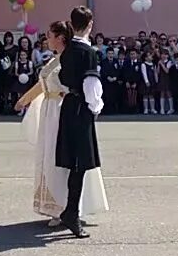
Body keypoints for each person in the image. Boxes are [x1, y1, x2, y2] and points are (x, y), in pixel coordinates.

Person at [17, 21, 109, 227]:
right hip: (49, 111)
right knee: (48, 157)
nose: (46, 39)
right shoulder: (54, 60)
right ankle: (55, 206)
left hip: (62, 110)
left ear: (60, 37)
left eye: (49, 35)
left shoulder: (69, 60)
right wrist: (25, 99)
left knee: (62, 159)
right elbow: (43, 85)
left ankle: (65, 207)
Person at [54, 6, 103, 239]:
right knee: (80, 163)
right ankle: (71, 212)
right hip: (81, 107)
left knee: (75, 163)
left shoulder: (67, 50)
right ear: (90, 24)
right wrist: (96, 107)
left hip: (69, 105)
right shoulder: (88, 52)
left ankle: (70, 210)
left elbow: (62, 78)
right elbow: (91, 86)